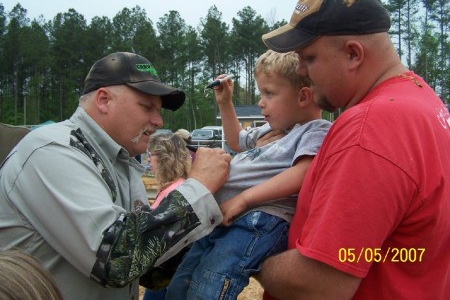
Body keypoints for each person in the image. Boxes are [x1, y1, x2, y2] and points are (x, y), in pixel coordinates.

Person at [256, 0, 450, 300]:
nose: (301, 70)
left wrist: (245, 255)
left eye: (309, 57)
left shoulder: (371, 128)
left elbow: (320, 283)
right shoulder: (425, 104)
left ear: (352, 54)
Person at [0, 51, 231, 300]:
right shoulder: (52, 152)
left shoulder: (122, 163)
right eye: (147, 107)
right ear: (103, 100)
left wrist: (213, 204)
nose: (158, 120)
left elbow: (148, 273)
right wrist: (198, 186)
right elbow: (116, 261)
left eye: (159, 110)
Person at [166, 49, 331, 300]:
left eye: (269, 93)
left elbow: (303, 173)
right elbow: (235, 141)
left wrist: (244, 199)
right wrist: (225, 102)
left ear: (303, 97)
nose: (260, 102)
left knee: (211, 283)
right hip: (224, 215)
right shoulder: (270, 129)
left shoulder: (315, 130)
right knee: (182, 280)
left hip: (259, 219)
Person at [143, 132, 193, 300]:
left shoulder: (176, 191)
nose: (148, 159)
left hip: (168, 274)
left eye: (151, 154)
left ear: (165, 158)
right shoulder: (173, 187)